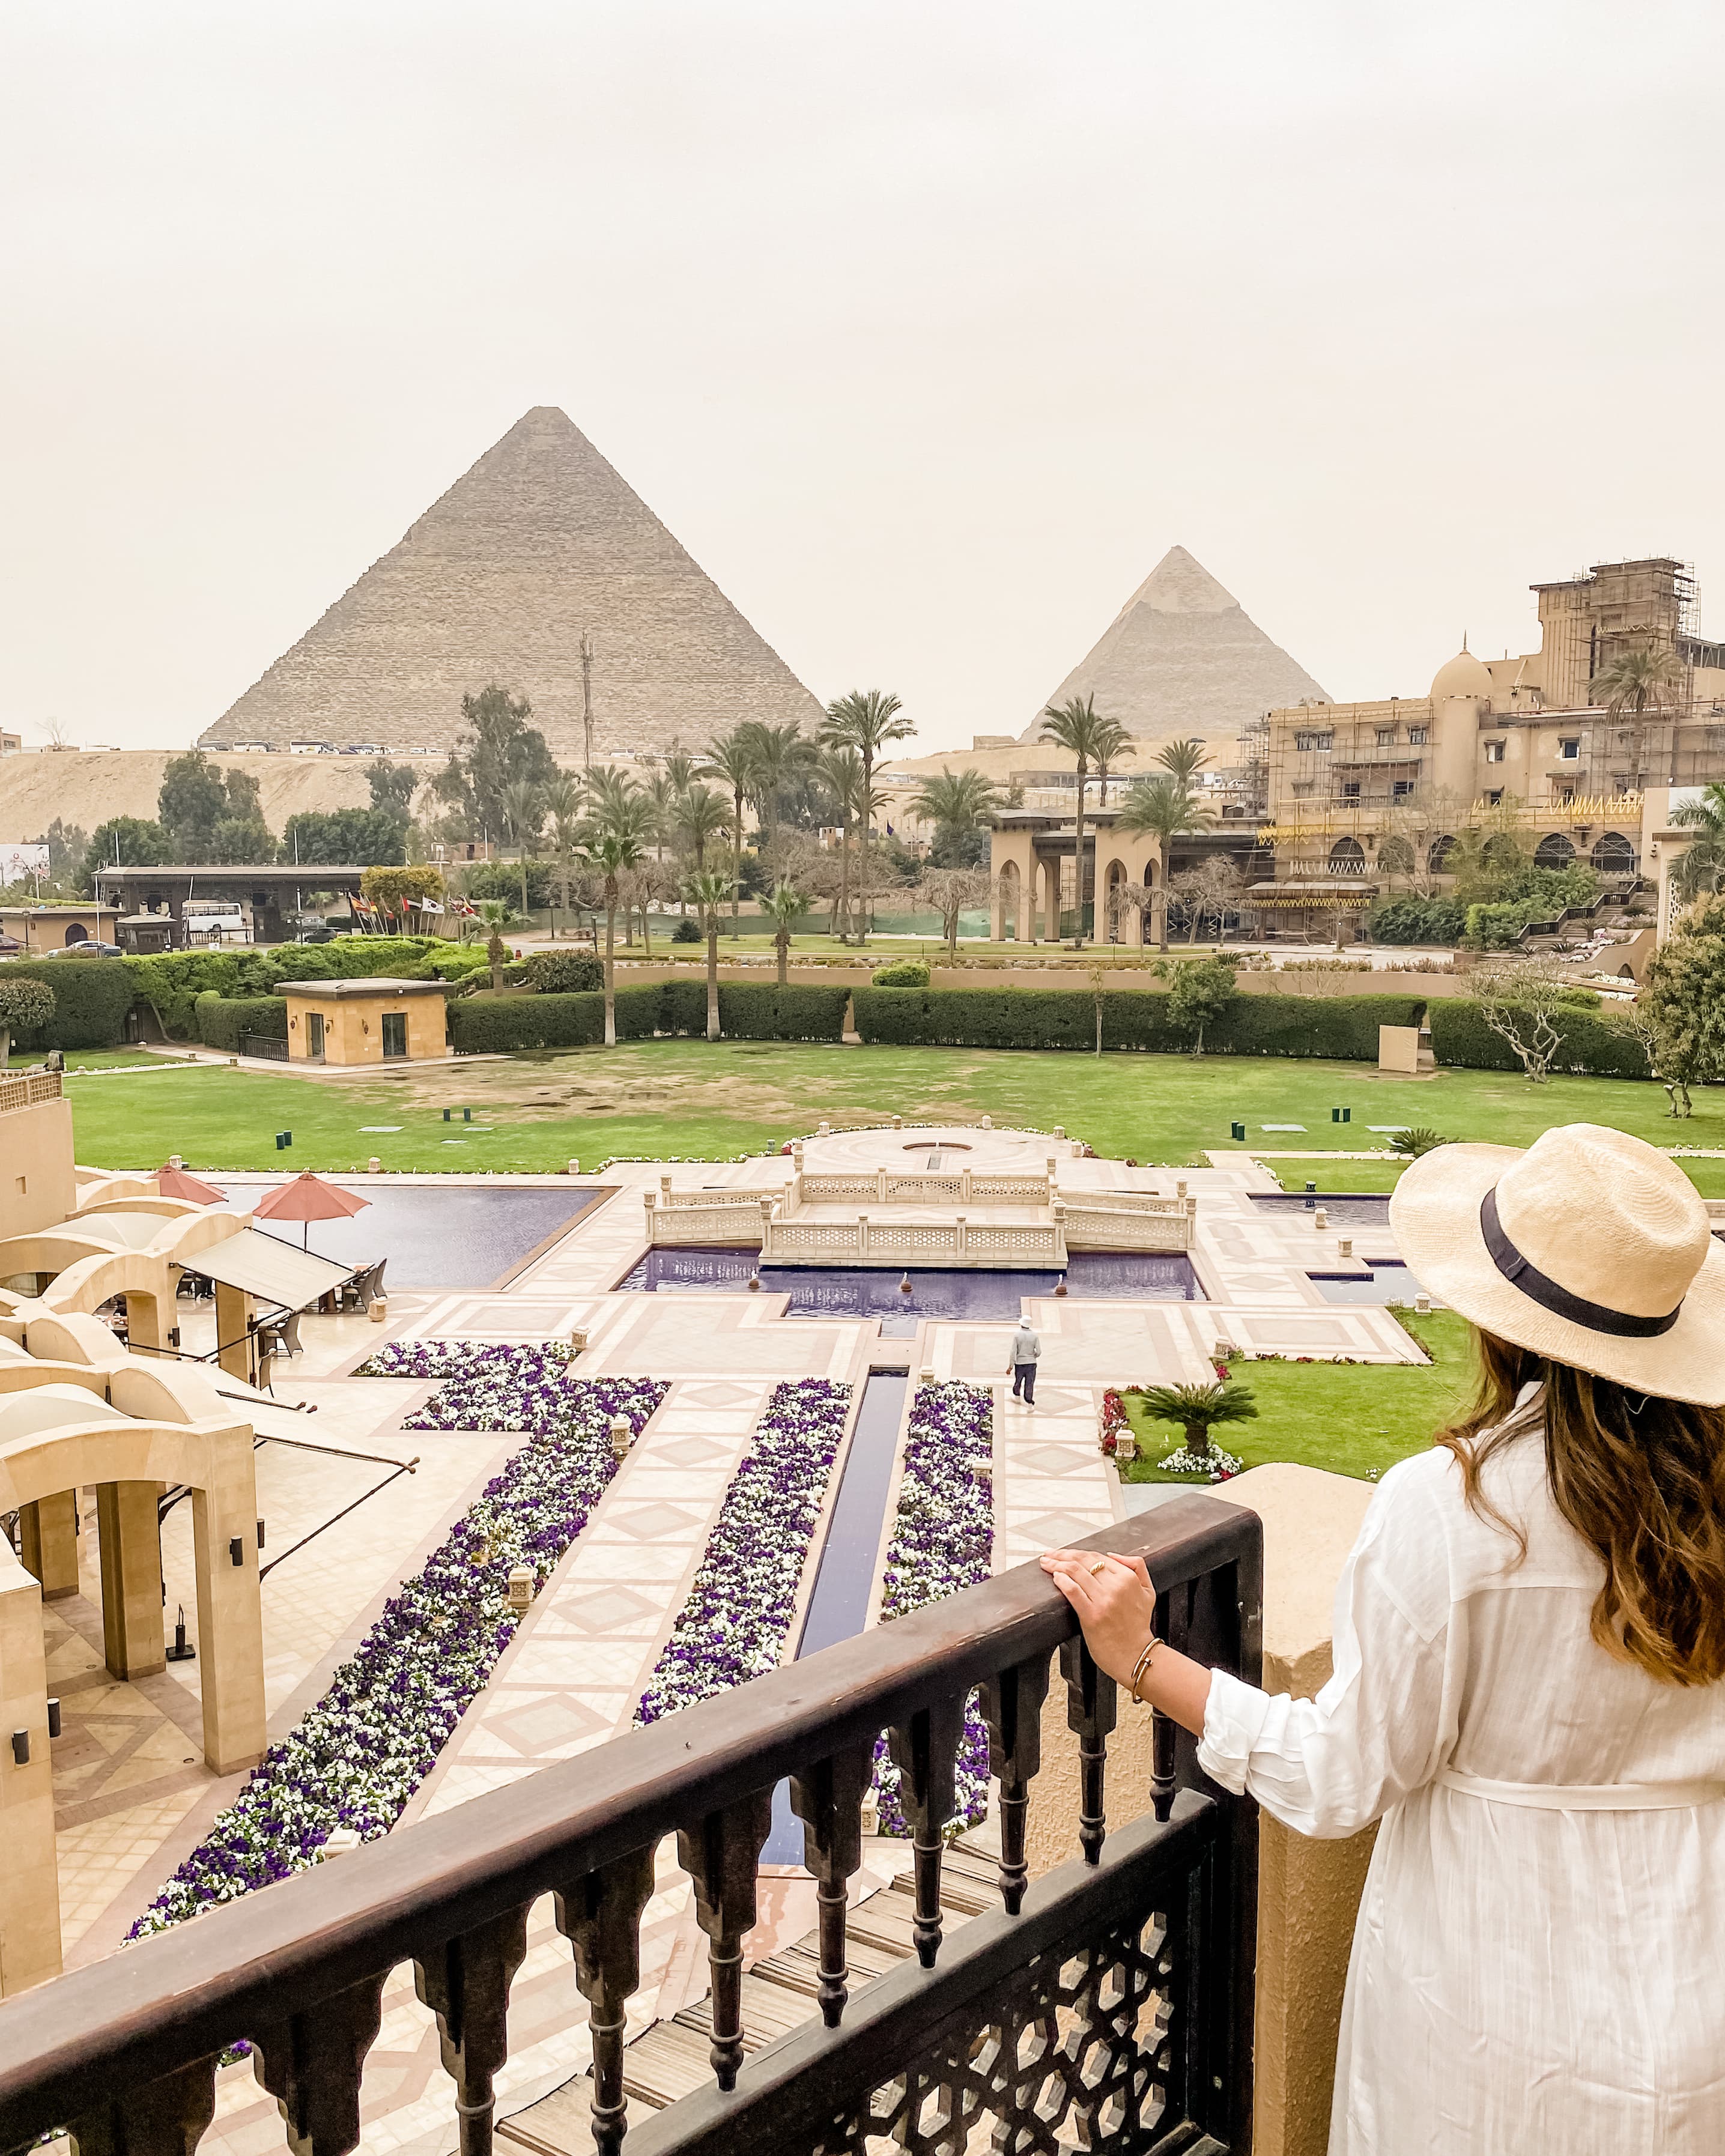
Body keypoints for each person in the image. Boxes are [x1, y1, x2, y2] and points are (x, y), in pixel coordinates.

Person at [1043, 1124, 1725, 2152]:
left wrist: (1142, 1658)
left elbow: (1338, 1775)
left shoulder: (1458, 1509)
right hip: (1691, 1957)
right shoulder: (1705, 1507)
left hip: (1490, 1969)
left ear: (1501, 1324)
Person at [1007, 1316, 1041, 1404]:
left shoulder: (1017, 1335)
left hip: (1020, 1363)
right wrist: (1033, 1356)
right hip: (1031, 1363)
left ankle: (1017, 1397)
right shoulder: (1035, 1336)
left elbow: (1013, 1351)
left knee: (1018, 1381)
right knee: (1029, 1383)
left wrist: (1011, 1366)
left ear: (1021, 1324)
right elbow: (1039, 1352)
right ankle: (1029, 1402)